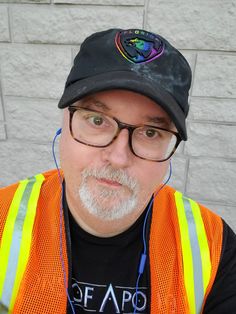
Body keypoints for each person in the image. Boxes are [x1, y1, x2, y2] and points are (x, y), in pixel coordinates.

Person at [0, 28, 235, 314]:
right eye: (97, 120)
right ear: (64, 121)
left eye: (150, 132)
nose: (118, 157)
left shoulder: (215, 246)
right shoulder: (3, 219)